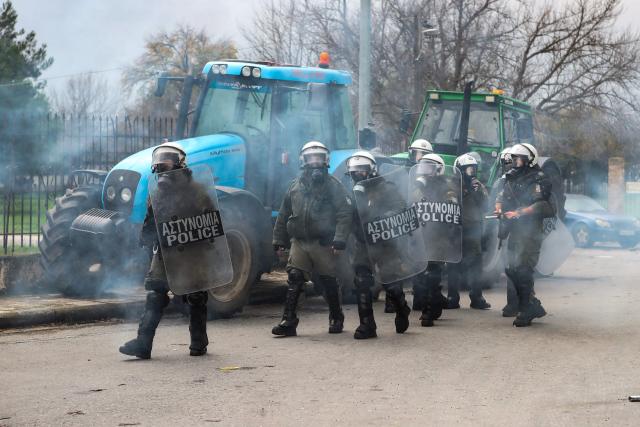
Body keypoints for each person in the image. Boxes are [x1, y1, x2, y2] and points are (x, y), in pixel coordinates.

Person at [119, 142, 210, 359]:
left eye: (167, 159)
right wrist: (146, 240)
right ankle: (143, 343)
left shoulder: (198, 191)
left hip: (191, 252)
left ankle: (199, 343)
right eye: (159, 161)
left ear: (180, 163)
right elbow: (152, 219)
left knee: (196, 296)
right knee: (155, 294)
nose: (162, 165)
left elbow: (210, 223)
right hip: (165, 250)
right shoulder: (157, 191)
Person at [271, 141, 353, 336]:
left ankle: (336, 316)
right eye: (310, 158)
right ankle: (288, 321)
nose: (315, 163)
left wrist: (339, 239)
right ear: (303, 161)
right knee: (294, 277)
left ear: (326, 161)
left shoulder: (334, 186)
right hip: (299, 241)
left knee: (327, 281)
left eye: (319, 158)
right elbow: (284, 214)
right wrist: (278, 239)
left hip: (323, 242)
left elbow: (344, 213)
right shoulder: (294, 187)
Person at [347, 150, 413, 339]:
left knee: (391, 284)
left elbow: (400, 207)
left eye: (362, 170)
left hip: (385, 243)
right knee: (362, 281)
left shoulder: (386, 188)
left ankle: (402, 309)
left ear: (372, 170)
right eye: (355, 171)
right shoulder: (352, 192)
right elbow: (345, 216)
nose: (358, 174)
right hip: (363, 243)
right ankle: (367, 325)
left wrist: (385, 217)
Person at [495, 143, 553, 327]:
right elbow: (502, 196)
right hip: (514, 230)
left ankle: (527, 309)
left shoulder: (538, 178)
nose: (515, 162)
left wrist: (521, 212)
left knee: (523, 269)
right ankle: (532, 305)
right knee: (511, 269)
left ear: (530, 159)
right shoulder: (512, 178)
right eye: (514, 159)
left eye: (519, 158)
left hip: (530, 232)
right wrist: (498, 208)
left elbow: (542, 205)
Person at [410, 153, 454, 326]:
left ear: (438, 169)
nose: (425, 171)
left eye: (429, 167)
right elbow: (409, 203)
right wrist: (417, 190)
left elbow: (452, 207)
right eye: (423, 167)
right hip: (421, 234)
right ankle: (434, 301)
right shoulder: (417, 186)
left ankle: (429, 311)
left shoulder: (446, 187)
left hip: (439, 235)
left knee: (432, 272)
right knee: (420, 272)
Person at [447, 153, 491, 310]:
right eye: (468, 169)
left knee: (475, 264)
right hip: (456, 229)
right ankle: (452, 297)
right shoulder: (452, 184)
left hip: (474, 229)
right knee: (453, 263)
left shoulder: (478, 185)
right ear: (459, 169)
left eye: (473, 169)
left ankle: (477, 297)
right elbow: (450, 202)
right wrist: (465, 191)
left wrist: (477, 191)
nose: (471, 172)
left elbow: (486, 206)